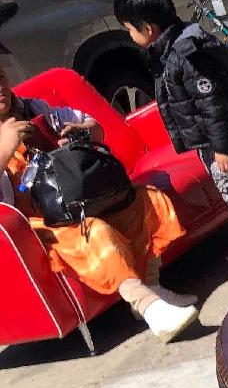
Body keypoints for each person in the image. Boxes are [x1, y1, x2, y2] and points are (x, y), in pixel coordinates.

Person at [0, 58, 199, 342]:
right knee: (95, 231)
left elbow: (95, 128)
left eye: (1, 78)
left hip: (76, 200)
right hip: (37, 225)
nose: (0, 88)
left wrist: (79, 133)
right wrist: (5, 148)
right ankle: (145, 303)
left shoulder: (33, 109)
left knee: (146, 199)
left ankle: (153, 289)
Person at [114, 0, 228, 270]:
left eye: (130, 30)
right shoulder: (171, 49)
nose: (131, 37)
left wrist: (221, 147)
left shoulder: (185, 53)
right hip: (215, 138)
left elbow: (212, 104)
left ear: (148, 28)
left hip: (222, 138)